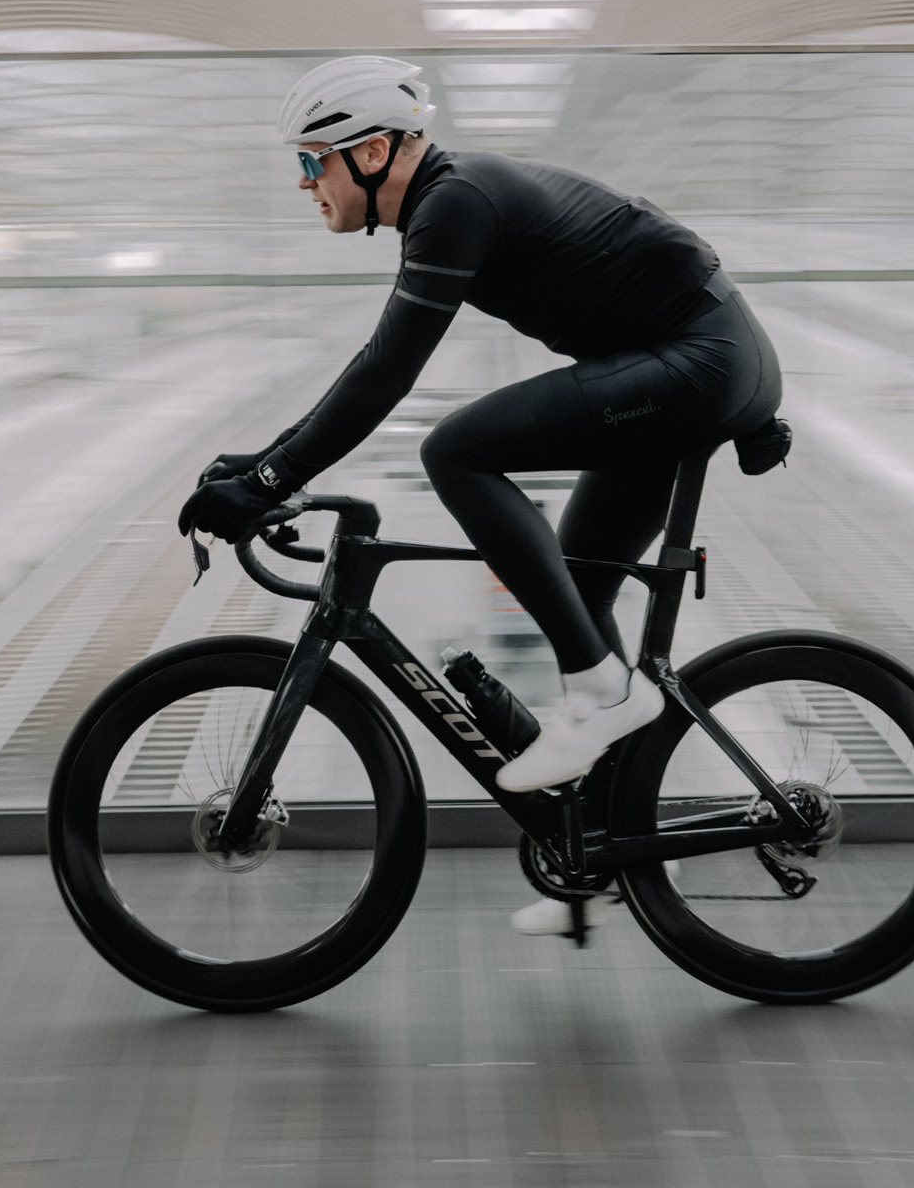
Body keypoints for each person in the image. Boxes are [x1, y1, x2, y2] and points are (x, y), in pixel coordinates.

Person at [177, 56, 788, 932]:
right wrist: (262, 462)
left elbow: (384, 371)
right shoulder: (451, 197)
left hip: (697, 370)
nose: (304, 182)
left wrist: (273, 479)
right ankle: (594, 867)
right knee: (577, 600)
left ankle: (604, 695)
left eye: (313, 161)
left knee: (456, 450)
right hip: (699, 366)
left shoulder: (452, 205)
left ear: (375, 150)